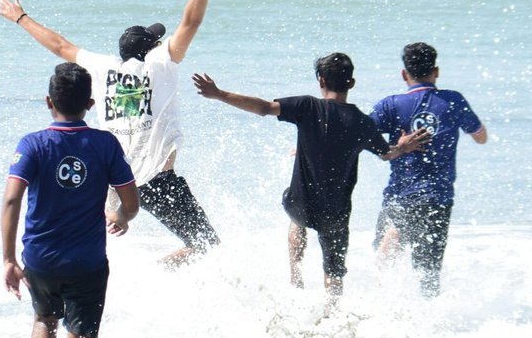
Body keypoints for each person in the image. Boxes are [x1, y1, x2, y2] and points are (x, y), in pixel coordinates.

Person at [0, 0, 232, 266]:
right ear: (152, 48)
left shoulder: (102, 67)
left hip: (112, 180)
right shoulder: (160, 63)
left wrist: (21, 17)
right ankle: (157, 273)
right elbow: (191, 22)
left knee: (91, 234)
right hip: (156, 181)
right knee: (206, 244)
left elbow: (60, 47)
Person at [192, 53, 430, 306]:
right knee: (334, 274)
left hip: (299, 203)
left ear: (321, 81)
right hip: (335, 214)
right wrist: (403, 147)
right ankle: (332, 314)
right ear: (352, 83)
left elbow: (263, 107)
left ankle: (296, 279)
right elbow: (387, 154)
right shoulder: (362, 122)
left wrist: (219, 94)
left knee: (296, 218)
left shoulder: (307, 107)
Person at [1, 62, 139, 338]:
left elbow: (11, 200)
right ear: (90, 105)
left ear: (49, 101)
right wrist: (121, 216)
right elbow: (132, 202)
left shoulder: (32, 144)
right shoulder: (104, 144)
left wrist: (7, 259)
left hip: (40, 258)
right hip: (87, 261)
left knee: (44, 322)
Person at [370, 42, 487, 297]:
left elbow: (359, 136)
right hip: (438, 199)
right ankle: (428, 325)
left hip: (400, 196)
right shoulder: (453, 101)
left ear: (404, 74)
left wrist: (397, 146)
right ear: (436, 71)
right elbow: (481, 137)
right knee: (429, 274)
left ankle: (376, 307)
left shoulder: (391, 105)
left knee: (384, 259)